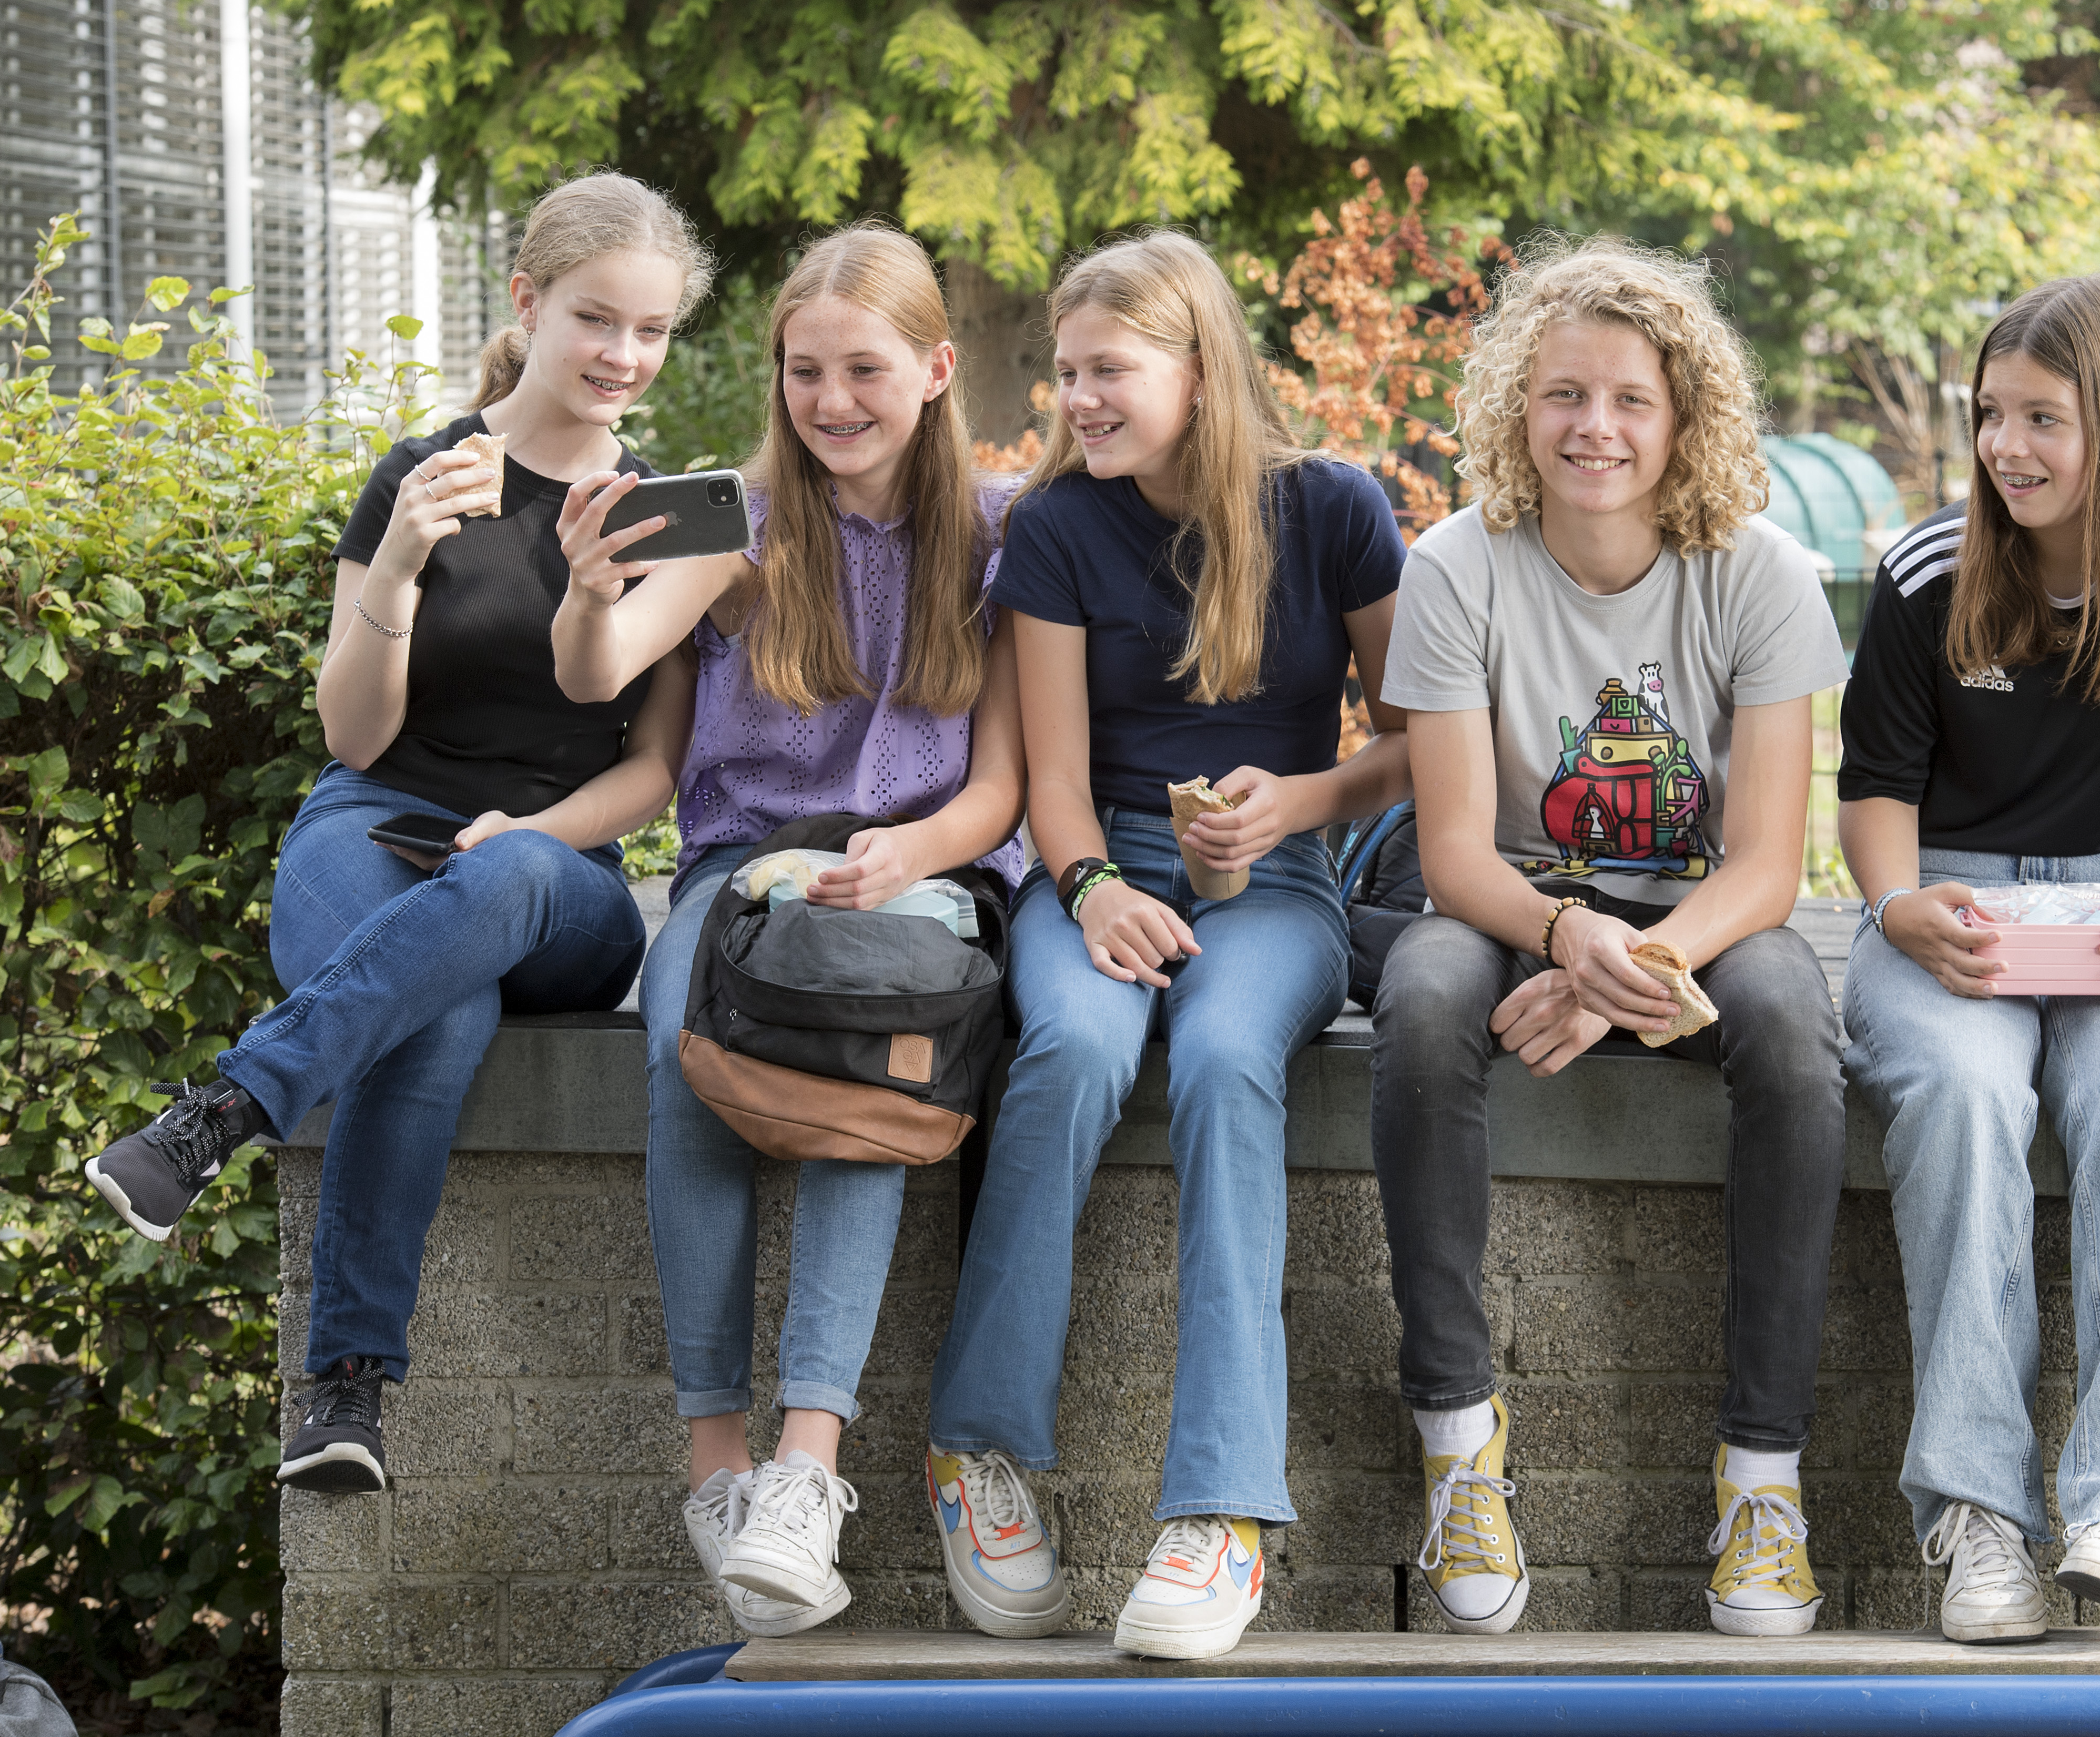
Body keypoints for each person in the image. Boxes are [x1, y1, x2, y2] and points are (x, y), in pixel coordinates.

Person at [82, 172, 712, 1494]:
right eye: (597, 319)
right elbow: (356, 737)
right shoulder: (420, 478)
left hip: (562, 871)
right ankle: (346, 1392)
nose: (624, 354)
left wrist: (527, 828)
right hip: (373, 823)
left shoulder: (666, 512)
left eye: (652, 330)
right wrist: (403, 564)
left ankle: (224, 1108)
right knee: (439, 1006)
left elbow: (653, 768)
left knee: (509, 875)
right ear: (529, 303)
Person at [924, 231, 1411, 1660]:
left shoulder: (1334, 509)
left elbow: (1417, 745)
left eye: (1110, 371)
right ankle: (979, 1451)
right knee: (1074, 1049)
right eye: (1066, 371)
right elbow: (1055, 779)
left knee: (1222, 1057)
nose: (1077, 398)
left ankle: (1221, 1512)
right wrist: (1089, 890)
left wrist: (1295, 803)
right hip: (1100, 868)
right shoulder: (1058, 529)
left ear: (1200, 368)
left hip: (1280, 876)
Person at [551, 221, 1028, 1638]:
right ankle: (719, 1466)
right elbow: (609, 669)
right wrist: (589, 594)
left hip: (925, 865)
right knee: (681, 1041)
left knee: (862, 1042)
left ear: (936, 370)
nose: (832, 401)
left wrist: (904, 856)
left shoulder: (1001, 534)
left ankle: (807, 1471)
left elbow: (1000, 786)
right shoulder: (732, 520)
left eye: (864, 369)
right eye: (804, 371)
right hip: (748, 860)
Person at [1368, 239, 1849, 1637]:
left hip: (1698, 918)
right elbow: (1455, 853)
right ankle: (1460, 1447)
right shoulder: (1456, 566)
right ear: (1518, 407)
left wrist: (1629, 975)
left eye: (1632, 398)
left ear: (1684, 414)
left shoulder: (1762, 572)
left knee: (1793, 1030)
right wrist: (1568, 938)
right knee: (1422, 1000)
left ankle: (1762, 1482)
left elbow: (1767, 866)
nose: (1597, 428)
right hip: (1515, 905)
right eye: (1565, 395)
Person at [1835, 274, 2100, 1641]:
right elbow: (1873, 798)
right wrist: (1899, 905)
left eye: (2041, 419)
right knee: (1963, 1095)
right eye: (1989, 415)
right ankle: (1983, 1520)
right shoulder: (1927, 575)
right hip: (1947, 904)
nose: (2003, 447)